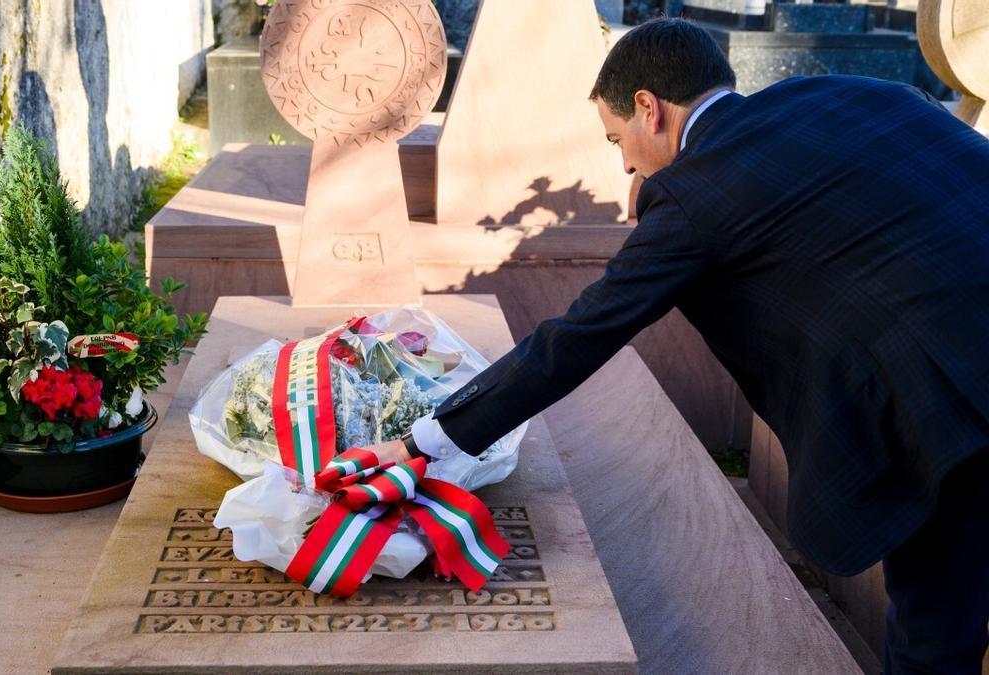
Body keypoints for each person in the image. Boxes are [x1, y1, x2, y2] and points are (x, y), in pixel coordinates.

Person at [358, 17, 989, 674]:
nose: (626, 164)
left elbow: (577, 337)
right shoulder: (853, 93)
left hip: (948, 416)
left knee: (934, 635)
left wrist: (423, 442)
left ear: (648, 108)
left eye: (616, 139)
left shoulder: (696, 192)